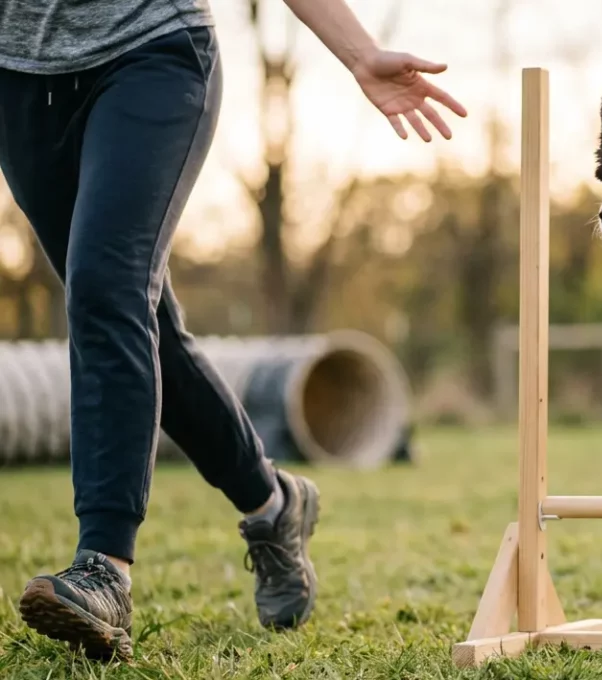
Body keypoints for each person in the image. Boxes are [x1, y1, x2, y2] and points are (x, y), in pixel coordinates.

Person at [0, 0, 466, 661]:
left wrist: (361, 54)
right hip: (21, 77)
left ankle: (103, 568)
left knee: (109, 289)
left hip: (150, 48)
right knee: (140, 325)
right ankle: (274, 503)